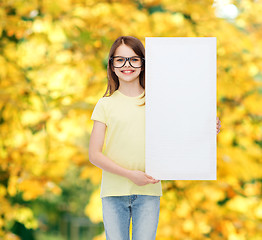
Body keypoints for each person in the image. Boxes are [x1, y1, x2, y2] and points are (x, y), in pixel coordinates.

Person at [89, 36, 221, 240]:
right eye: (120, 60)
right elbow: (95, 155)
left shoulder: (160, 102)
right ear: (112, 66)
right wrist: (130, 174)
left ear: (143, 63)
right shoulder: (105, 105)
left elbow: (180, 135)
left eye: (134, 59)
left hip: (149, 191)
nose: (127, 65)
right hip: (114, 192)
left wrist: (205, 128)